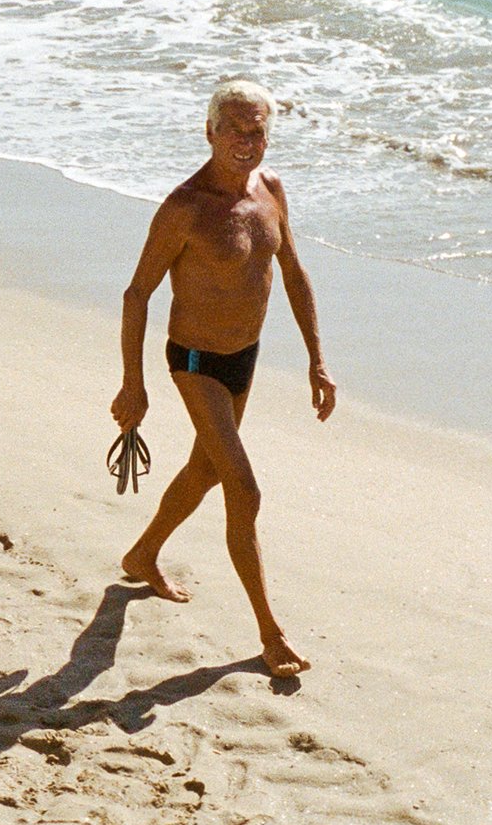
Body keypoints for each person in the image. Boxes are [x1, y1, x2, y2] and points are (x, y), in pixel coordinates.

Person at [111, 80, 332, 678]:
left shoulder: (272, 193)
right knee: (244, 486)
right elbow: (137, 293)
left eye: (256, 129)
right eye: (233, 127)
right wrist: (133, 383)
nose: (245, 140)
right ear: (208, 131)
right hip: (194, 361)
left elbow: (292, 271)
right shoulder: (186, 206)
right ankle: (270, 633)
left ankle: (143, 553)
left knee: (207, 467)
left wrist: (316, 358)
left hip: (245, 356)